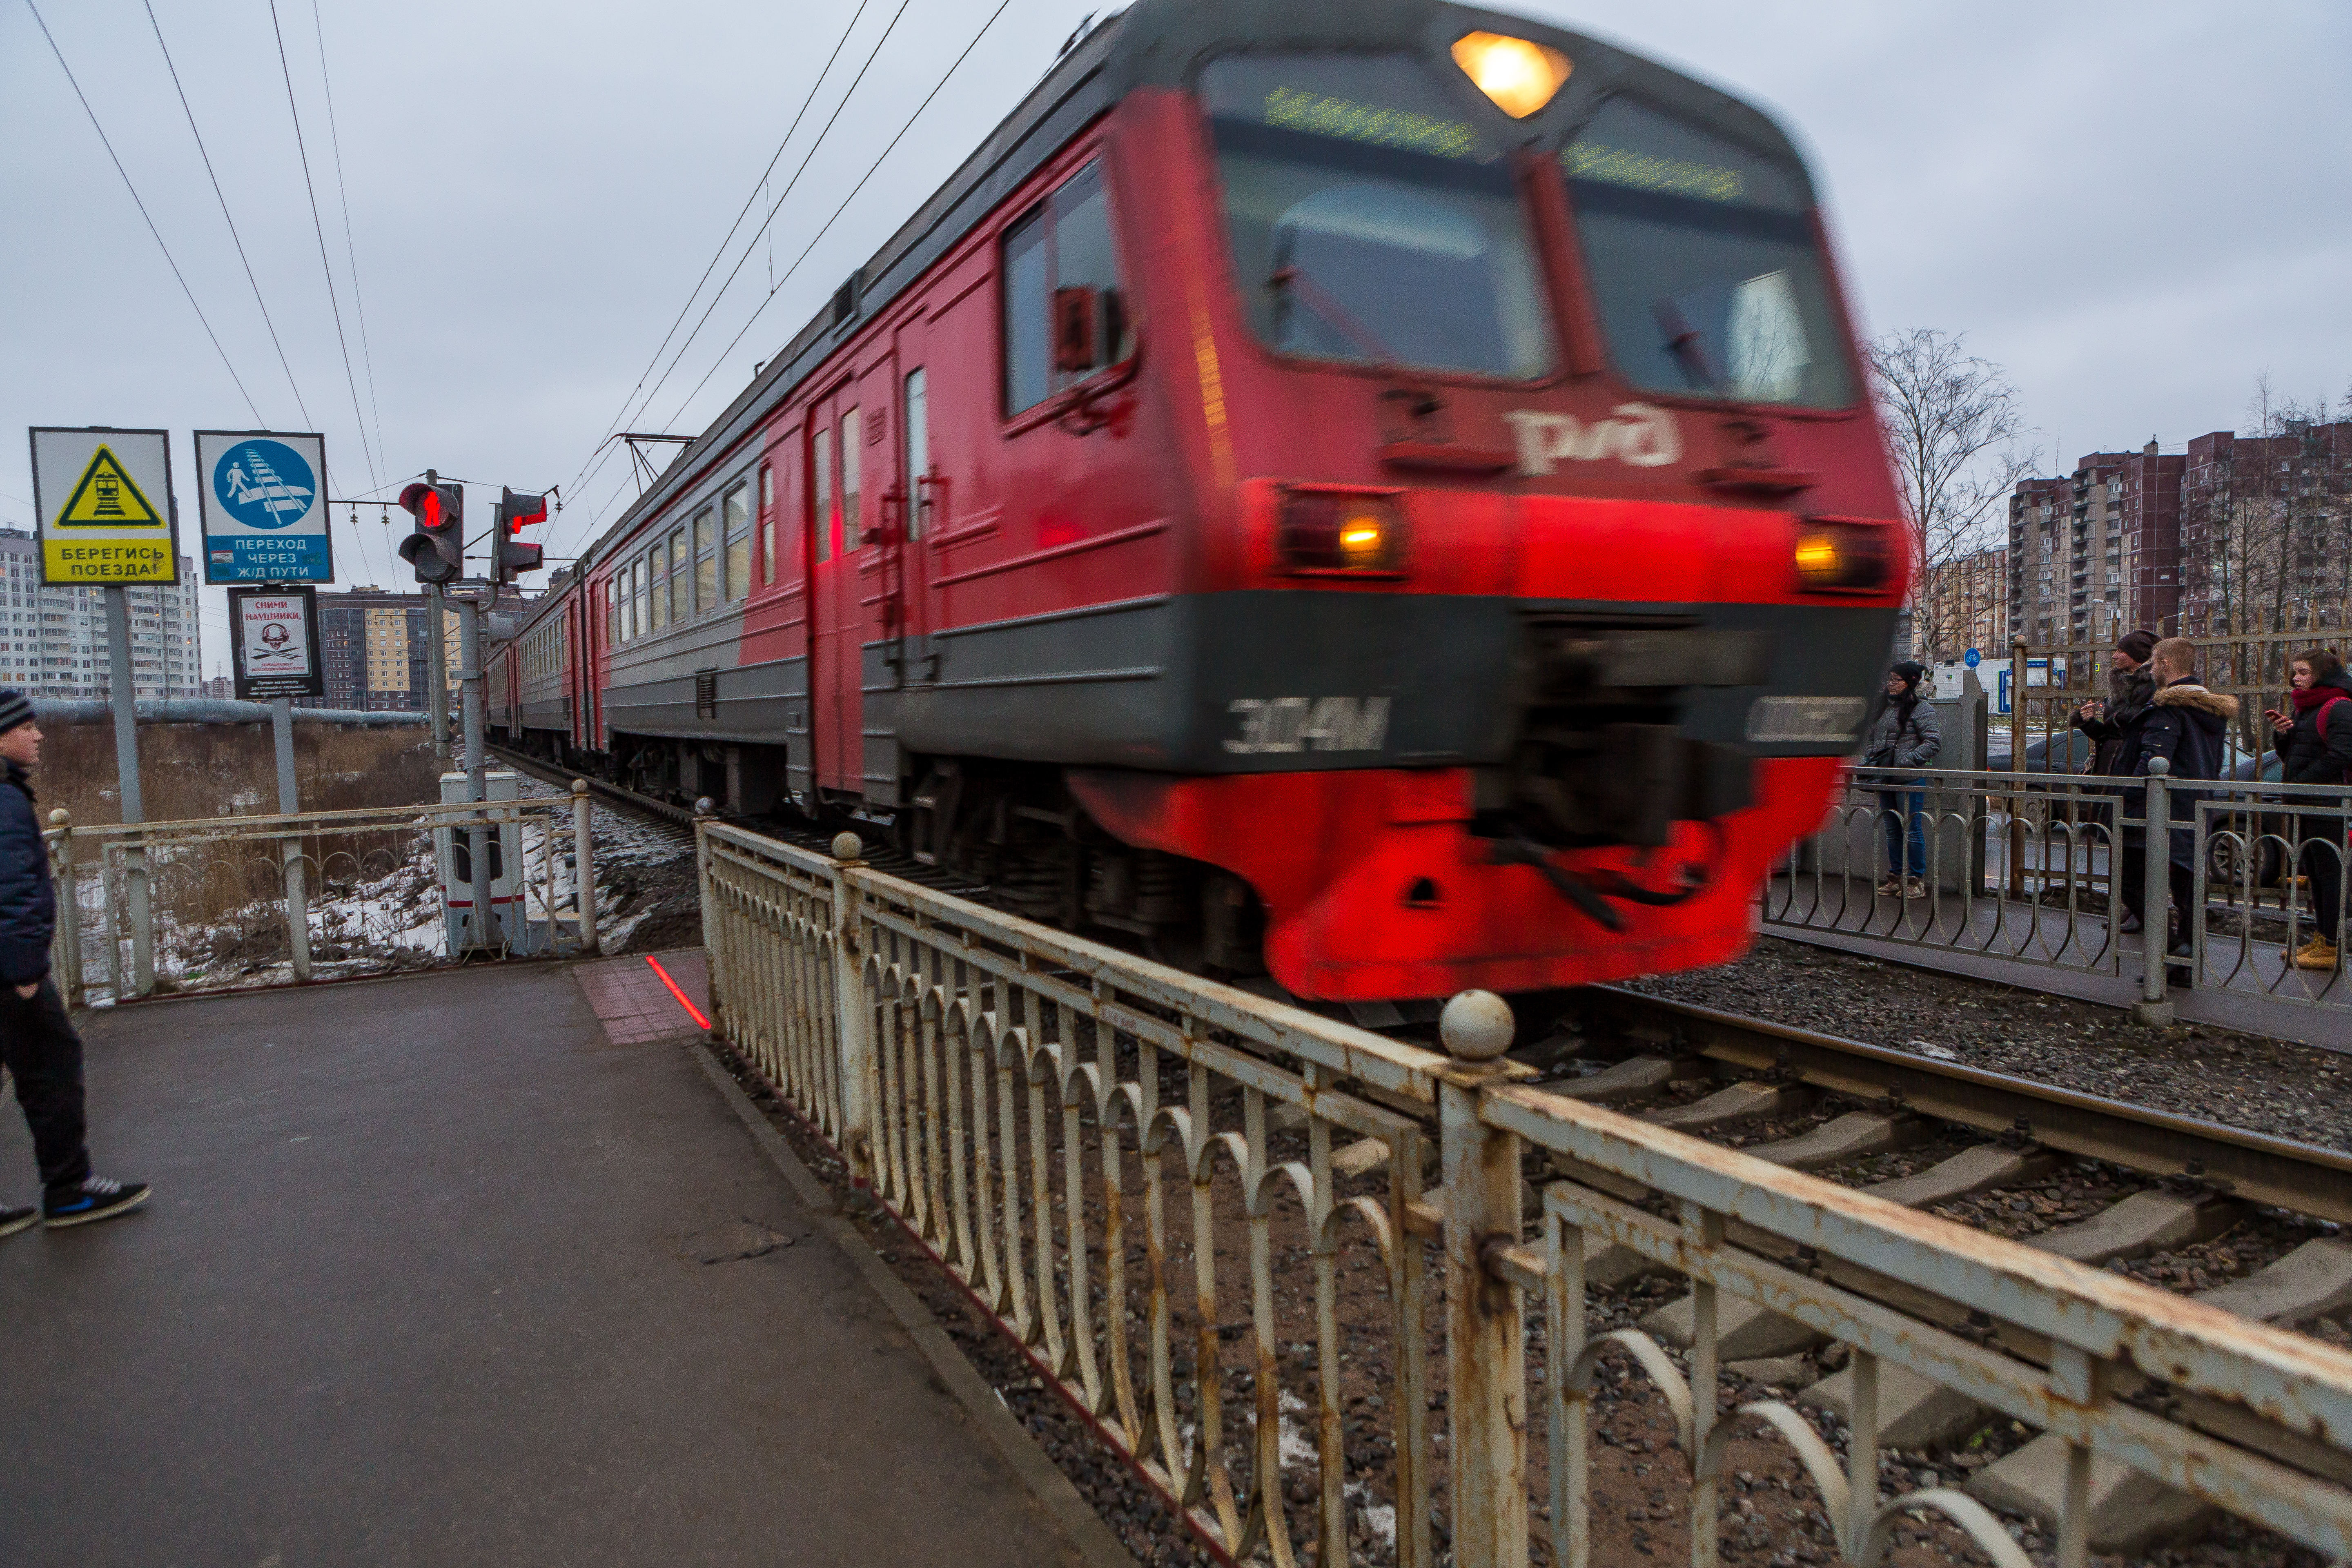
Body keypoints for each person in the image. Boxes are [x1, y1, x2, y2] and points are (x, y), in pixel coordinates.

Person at [0, 691, 148, 1234]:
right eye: (25, 727)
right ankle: (69, 1189)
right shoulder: (4, 800)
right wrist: (23, 974)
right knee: (52, 1068)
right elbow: (10, 891)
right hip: (10, 974)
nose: (37, 735)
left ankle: (68, 1186)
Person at [2118, 639, 2236, 970]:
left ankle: (2175, 952)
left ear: (2166, 665)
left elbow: (2155, 759)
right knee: (2186, 888)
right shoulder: (2209, 708)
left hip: (2161, 807)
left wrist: (2126, 797)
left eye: (2154, 664)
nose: (2151, 670)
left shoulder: (2169, 707)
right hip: (2196, 804)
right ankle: (2184, 964)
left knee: (2132, 882)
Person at [2263, 648, 2352, 970]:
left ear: (2322, 674)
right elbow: (2293, 754)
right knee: (2315, 872)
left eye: (2302, 672)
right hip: (2308, 803)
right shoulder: (2306, 708)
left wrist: (2301, 784)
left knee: (2330, 874)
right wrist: (2284, 734)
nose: (2295, 679)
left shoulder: (2340, 706)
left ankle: (2331, 945)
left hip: (2328, 804)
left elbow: (2342, 755)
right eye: (2294, 673)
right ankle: (2321, 937)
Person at [1863, 661, 1941, 898]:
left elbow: (1933, 742)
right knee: (1892, 830)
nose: (1891, 684)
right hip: (1885, 778)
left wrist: (1906, 761)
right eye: (1889, 679)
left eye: (1897, 680)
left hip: (1909, 779)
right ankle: (1896, 878)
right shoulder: (1884, 708)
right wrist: (1872, 758)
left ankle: (1917, 881)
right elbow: (1871, 738)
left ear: (1911, 682)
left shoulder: (1921, 709)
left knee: (1912, 830)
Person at [2072, 628, 2159, 777]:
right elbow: (2110, 734)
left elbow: (2132, 731)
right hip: (2109, 764)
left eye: (2121, 652)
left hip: (2132, 765)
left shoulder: (2152, 686)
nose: (2114, 656)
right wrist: (2087, 721)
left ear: (2137, 654)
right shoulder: (2120, 684)